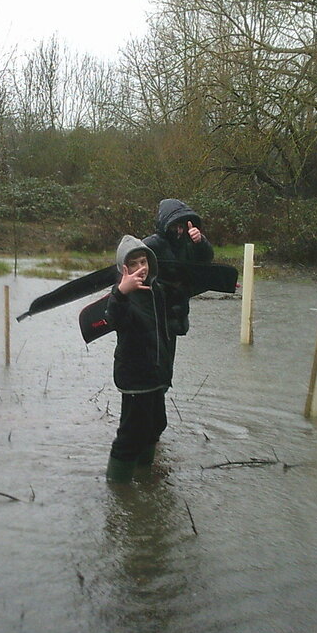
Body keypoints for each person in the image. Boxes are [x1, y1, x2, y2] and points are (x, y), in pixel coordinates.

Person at [103, 235, 174, 484]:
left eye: (143, 261)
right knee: (131, 435)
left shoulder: (156, 291)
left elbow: (164, 330)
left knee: (156, 425)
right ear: (124, 269)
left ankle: (145, 475)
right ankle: (117, 486)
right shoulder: (121, 296)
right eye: (134, 264)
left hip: (157, 375)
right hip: (135, 378)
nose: (141, 268)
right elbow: (114, 319)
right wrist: (121, 292)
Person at [142, 199, 214, 340]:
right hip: (154, 315)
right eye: (175, 226)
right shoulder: (151, 244)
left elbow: (206, 259)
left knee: (167, 352)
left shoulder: (188, 244)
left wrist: (200, 242)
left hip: (176, 315)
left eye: (182, 227)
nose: (179, 231)